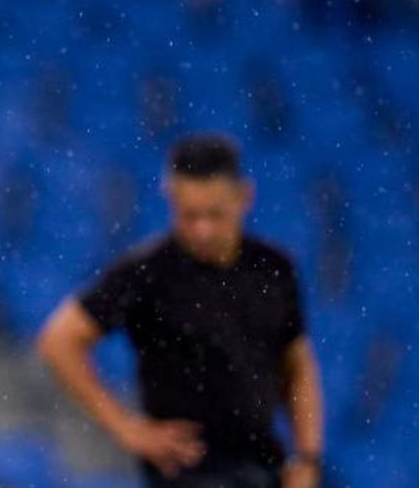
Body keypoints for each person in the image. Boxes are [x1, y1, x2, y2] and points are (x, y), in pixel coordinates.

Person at [37, 134, 324, 488]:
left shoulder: (273, 268)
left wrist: (307, 457)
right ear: (171, 200)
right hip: (188, 470)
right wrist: (127, 428)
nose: (202, 230)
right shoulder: (147, 272)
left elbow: (297, 362)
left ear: (244, 197)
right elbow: (59, 339)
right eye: (190, 216)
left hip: (262, 464)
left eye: (214, 214)